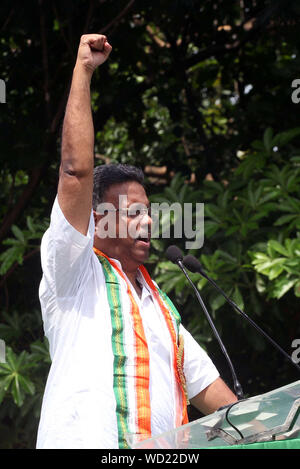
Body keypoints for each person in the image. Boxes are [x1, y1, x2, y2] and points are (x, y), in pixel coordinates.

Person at [36, 34, 237, 449]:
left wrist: (264, 429)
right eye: (132, 213)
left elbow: (215, 396)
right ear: (98, 222)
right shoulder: (74, 272)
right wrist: (83, 70)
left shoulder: (161, 309)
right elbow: (75, 173)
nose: (148, 220)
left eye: (149, 211)